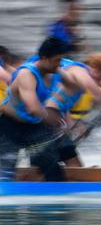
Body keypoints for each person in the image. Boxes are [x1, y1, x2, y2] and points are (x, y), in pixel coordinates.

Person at [0, 38, 71, 180]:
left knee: (53, 171)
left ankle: (57, 195)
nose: (60, 64)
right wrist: (56, 122)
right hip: (9, 126)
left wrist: (64, 113)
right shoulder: (26, 74)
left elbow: (74, 87)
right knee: (5, 172)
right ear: (44, 59)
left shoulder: (55, 72)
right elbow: (32, 107)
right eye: (57, 60)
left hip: (34, 126)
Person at [35, 52, 101, 179]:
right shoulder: (82, 72)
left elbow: (62, 105)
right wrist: (86, 123)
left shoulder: (68, 73)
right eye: (98, 79)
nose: (97, 83)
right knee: (53, 168)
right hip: (46, 123)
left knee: (73, 164)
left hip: (52, 121)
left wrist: (79, 125)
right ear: (96, 70)